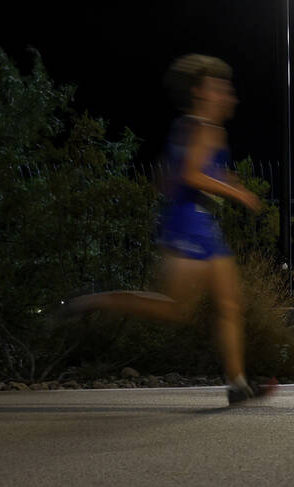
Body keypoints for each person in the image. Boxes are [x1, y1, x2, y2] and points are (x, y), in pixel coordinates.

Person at [65, 54, 273, 406]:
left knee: (229, 304)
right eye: (221, 88)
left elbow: (167, 178)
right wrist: (235, 191)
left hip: (198, 221)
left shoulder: (190, 127)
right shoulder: (205, 129)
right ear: (201, 91)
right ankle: (97, 300)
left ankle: (238, 384)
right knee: (178, 309)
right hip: (188, 225)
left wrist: (219, 182)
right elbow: (190, 175)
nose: (229, 95)